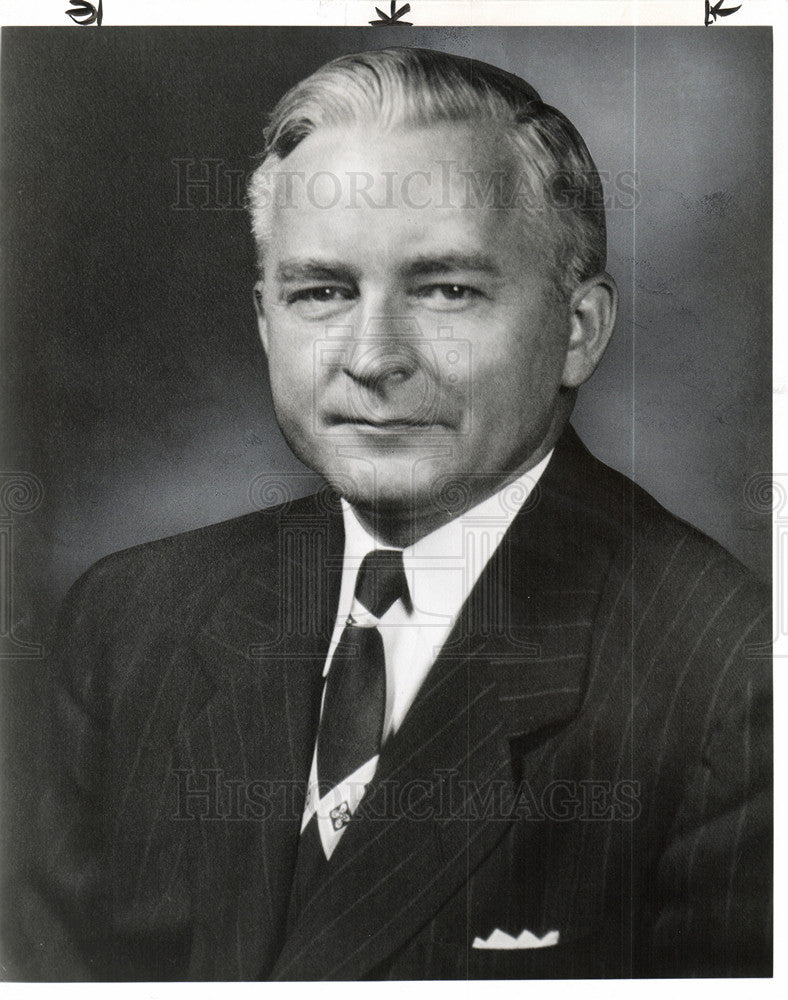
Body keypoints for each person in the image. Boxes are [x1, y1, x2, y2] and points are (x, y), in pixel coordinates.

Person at [14, 46, 771, 980]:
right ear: (264, 321)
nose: (373, 358)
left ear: (579, 331)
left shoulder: (730, 679)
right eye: (322, 292)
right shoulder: (130, 623)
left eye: (448, 290)